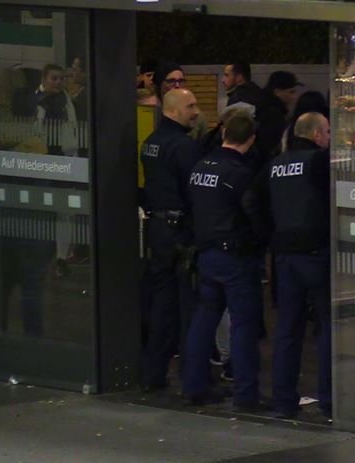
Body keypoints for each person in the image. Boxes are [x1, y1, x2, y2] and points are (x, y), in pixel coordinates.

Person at [182, 112, 270, 408]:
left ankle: (194, 385)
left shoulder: (200, 167)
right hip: (235, 255)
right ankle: (246, 394)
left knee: (204, 320)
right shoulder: (239, 173)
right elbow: (253, 212)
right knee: (243, 324)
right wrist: (262, 241)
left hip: (206, 252)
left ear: (224, 133)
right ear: (251, 139)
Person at [266, 112, 332, 419]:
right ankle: (329, 398)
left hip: (285, 257)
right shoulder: (320, 161)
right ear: (317, 134)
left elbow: (256, 201)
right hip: (317, 253)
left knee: (287, 330)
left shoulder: (276, 164)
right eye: (327, 132)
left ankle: (283, 399)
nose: (329, 138)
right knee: (327, 327)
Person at [139, 89, 204, 392]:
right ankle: (194, 380)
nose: (196, 111)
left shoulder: (151, 142)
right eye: (190, 106)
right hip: (180, 231)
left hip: (158, 228)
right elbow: (194, 191)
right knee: (189, 308)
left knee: (162, 305)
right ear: (173, 110)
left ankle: (153, 373)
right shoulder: (183, 146)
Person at [255, 71, 302, 165]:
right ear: (277, 92)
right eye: (291, 92)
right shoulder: (273, 115)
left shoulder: (262, 106)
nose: (295, 96)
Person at [34, 64, 77, 156]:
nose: (58, 82)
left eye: (61, 79)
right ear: (44, 80)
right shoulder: (34, 101)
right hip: (40, 150)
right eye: (54, 78)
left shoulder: (68, 102)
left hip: (64, 151)